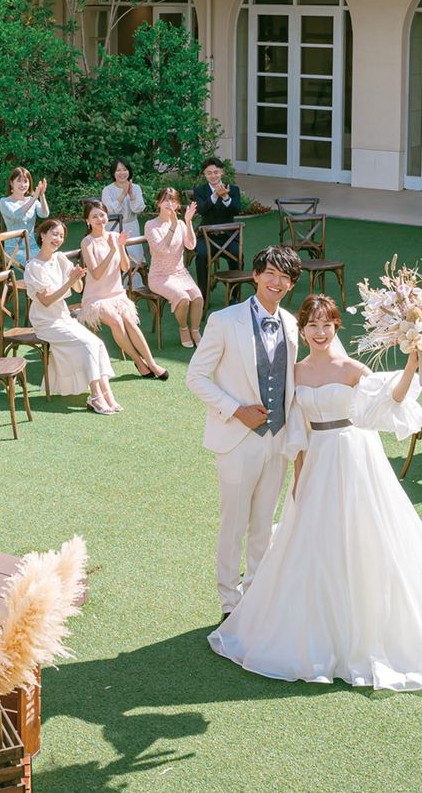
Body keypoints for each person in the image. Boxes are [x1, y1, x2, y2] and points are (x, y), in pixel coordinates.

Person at [208, 294, 422, 690]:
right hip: (317, 460)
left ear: (336, 327)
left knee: (364, 533)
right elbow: (298, 430)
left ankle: (368, 623)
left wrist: (413, 360)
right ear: (303, 331)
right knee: (314, 540)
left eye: (327, 325)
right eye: (312, 325)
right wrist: (299, 477)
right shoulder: (297, 372)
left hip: (353, 455)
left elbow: (391, 398)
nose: (320, 332)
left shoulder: (351, 368)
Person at [185, 246, 303, 620]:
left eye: (284, 277)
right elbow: (195, 377)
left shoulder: (292, 324)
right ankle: (229, 602)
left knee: (263, 525)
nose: (276, 282)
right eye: (270, 273)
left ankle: (255, 594)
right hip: (237, 439)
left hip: (277, 438)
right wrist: (237, 410)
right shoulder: (224, 321)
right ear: (255, 275)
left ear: (291, 284)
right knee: (233, 525)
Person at [23, 219, 120, 415]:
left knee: (98, 343)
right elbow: (46, 300)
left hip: (63, 316)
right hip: (45, 321)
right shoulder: (33, 267)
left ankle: (106, 392)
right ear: (43, 235)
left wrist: (76, 278)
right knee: (88, 344)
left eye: (61, 236)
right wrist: (69, 282)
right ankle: (95, 396)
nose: (58, 239)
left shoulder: (60, 258)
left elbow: (78, 288)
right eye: (54, 234)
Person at [78, 200, 169, 381]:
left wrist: (119, 247)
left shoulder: (114, 236)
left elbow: (125, 267)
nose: (99, 219)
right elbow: (96, 274)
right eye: (94, 216)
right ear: (87, 220)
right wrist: (112, 250)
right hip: (96, 298)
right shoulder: (87, 242)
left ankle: (151, 363)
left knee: (129, 321)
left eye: (102, 215)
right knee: (117, 322)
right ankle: (139, 362)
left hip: (117, 293)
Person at [145, 188, 206, 348]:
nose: (169, 203)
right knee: (183, 298)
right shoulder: (150, 225)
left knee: (198, 297)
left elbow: (191, 245)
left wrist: (188, 222)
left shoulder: (180, 224)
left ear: (178, 204)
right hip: (160, 276)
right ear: (158, 203)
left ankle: (195, 330)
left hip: (180, 273)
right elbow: (162, 250)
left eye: (173, 200)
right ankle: (183, 328)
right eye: (165, 200)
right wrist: (172, 226)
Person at [192, 157, 243, 294]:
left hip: (228, 236)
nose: (213, 176)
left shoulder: (233, 189)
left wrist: (226, 197)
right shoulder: (199, 191)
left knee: (238, 255)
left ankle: (234, 294)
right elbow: (201, 210)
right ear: (204, 174)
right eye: (209, 173)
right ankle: (203, 294)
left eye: (216, 172)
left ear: (222, 172)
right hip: (206, 236)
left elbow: (237, 210)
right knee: (201, 255)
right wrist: (214, 195)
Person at [100, 158, 147, 272]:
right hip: (114, 229)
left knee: (135, 261)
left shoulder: (136, 188)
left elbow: (138, 209)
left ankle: (136, 282)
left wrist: (131, 195)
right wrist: (123, 194)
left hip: (132, 228)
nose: (122, 173)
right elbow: (109, 212)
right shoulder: (107, 190)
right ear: (113, 173)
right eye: (118, 170)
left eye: (125, 169)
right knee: (117, 260)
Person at [0, 166, 48, 268]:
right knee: (35, 266)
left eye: (25, 181)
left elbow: (44, 214)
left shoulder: (31, 200)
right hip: (13, 250)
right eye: (19, 181)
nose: (23, 185)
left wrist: (41, 195)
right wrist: (34, 197)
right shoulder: (4, 202)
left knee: (49, 262)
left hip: (33, 247)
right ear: (11, 183)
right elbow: (17, 215)